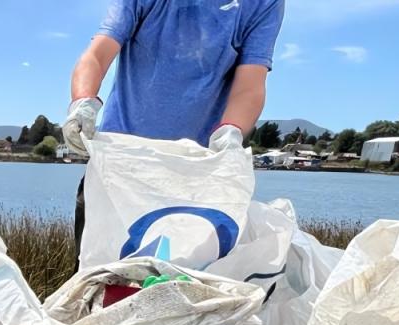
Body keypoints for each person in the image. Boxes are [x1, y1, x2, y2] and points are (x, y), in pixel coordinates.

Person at [63, 0, 285, 259]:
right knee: (98, 282)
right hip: (118, 168)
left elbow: (250, 82)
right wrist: (83, 102)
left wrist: (231, 132)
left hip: (197, 178)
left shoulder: (262, 3)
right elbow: (97, 54)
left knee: (183, 284)